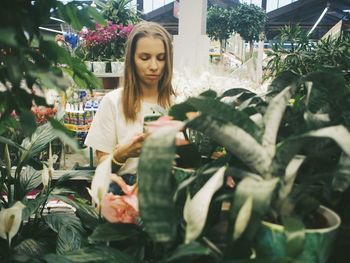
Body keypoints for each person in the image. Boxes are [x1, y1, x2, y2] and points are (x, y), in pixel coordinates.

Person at [85, 21, 175, 191]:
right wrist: (122, 154)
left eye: (161, 58)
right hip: (124, 199)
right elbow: (102, 168)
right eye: (145, 57)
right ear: (131, 59)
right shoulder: (113, 102)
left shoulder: (177, 104)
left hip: (167, 198)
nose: (154, 66)